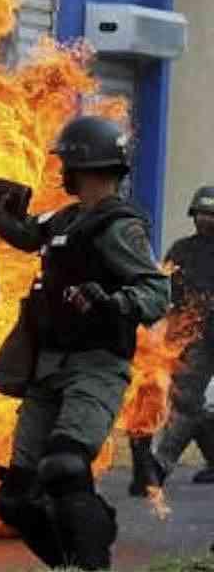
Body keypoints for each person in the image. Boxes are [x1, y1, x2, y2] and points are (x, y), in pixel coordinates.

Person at [0, 115, 171, 570]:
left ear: (86, 167)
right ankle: (68, 561)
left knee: (64, 467)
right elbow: (26, 233)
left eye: (66, 164)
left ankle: (90, 563)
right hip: (47, 366)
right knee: (16, 498)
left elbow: (155, 292)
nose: (61, 173)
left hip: (95, 366)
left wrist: (111, 302)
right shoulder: (67, 218)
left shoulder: (117, 225)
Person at [129, 186, 214, 494]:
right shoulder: (182, 250)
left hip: (208, 333)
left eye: (211, 215)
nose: (206, 220)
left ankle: (160, 465)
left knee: (187, 401)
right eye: (201, 214)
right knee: (187, 400)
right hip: (190, 335)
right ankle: (167, 465)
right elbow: (165, 290)